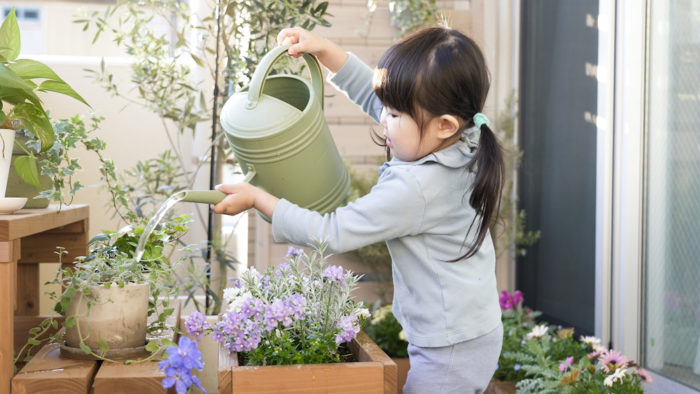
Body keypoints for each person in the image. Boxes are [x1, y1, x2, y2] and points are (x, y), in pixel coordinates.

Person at [213, 26, 505, 393]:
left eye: (394, 114)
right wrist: (324, 50)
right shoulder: (466, 136)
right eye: (386, 107)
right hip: (468, 332)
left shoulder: (416, 189)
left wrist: (259, 198)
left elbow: (331, 232)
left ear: (444, 125)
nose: (383, 119)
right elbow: (378, 95)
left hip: (450, 349)